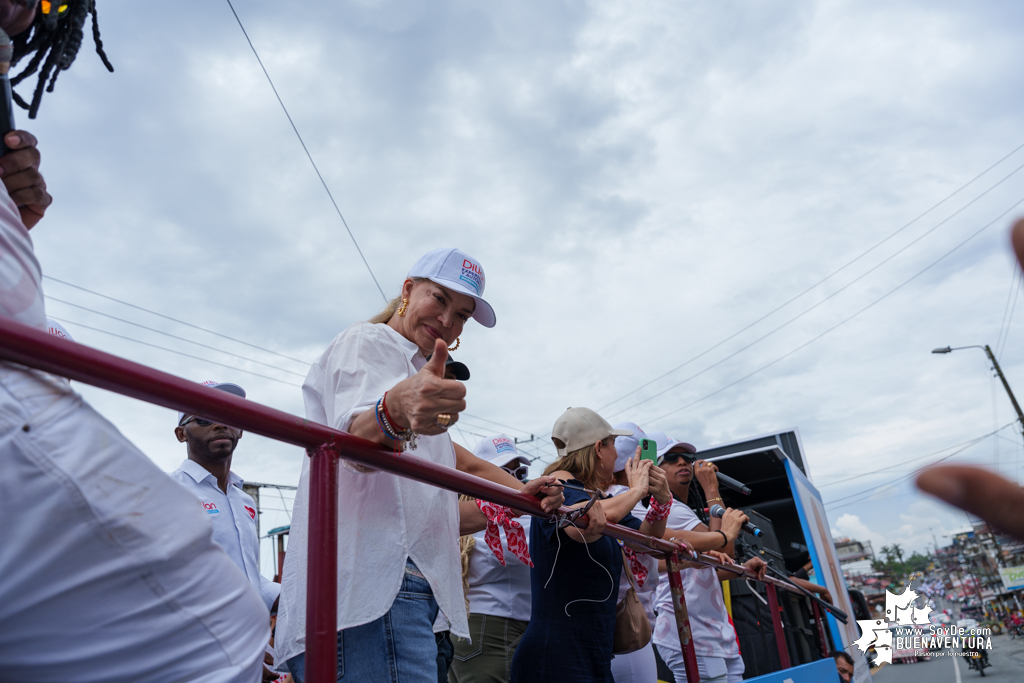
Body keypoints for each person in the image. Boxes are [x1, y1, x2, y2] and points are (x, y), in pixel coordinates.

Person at [0, 3, 268, 682]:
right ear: (180, 432)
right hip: (14, 398)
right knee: (212, 640)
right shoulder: (178, 490)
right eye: (209, 417)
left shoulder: (247, 500)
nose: (225, 429)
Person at [275, 248, 564, 683]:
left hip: (392, 591)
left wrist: (524, 497)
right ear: (408, 290)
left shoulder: (414, 375)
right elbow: (357, 439)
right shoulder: (370, 342)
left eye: (462, 314)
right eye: (440, 299)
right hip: (379, 590)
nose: (449, 320)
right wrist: (394, 410)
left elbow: (444, 494)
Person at [510, 407, 673, 683]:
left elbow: (647, 541)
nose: (616, 454)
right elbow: (579, 522)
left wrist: (662, 500)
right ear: (599, 448)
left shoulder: (596, 495)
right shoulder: (555, 488)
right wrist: (636, 491)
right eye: (613, 445)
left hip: (591, 651)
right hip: (557, 657)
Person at [651, 435, 766, 683]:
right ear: (656, 468)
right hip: (690, 630)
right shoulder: (666, 508)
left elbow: (708, 566)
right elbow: (723, 544)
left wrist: (741, 569)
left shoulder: (683, 509)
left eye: (688, 458)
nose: (683, 462)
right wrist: (712, 490)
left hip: (712, 630)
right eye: (672, 458)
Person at [170, 380, 282, 611]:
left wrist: (298, 596)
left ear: (240, 430)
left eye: (228, 416)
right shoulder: (165, 489)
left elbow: (247, 575)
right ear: (182, 434)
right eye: (204, 419)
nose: (220, 425)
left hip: (245, 639)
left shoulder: (245, 501)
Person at [450, 435, 533, 683]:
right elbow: (539, 549)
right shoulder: (498, 516)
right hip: (496, 628)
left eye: (520, 472)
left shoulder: (470, 513)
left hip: (476, 626)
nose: (513, 479)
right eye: (503, 471)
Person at [606, 422, 664, 683]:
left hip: (623, 615)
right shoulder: (622, 496)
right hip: (626, 620)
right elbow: (654, 541)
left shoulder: (607, 495)